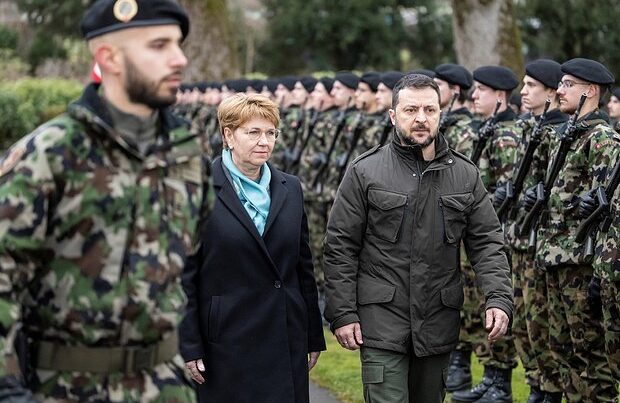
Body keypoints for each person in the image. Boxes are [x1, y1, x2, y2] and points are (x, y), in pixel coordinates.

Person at [0, 0, 209, 401]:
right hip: (69, 387)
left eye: (178, 45)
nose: (179, 59)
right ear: (108, 58)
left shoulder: (187, 153)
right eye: (159, 45)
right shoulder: (52, 152)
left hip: (164, 387)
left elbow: (187, 260)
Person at [323, 74, 513, 403]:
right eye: (411, 110)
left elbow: (487, 244)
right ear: (393, 115)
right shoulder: (365, 171)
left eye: (430, 109)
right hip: (381, 320)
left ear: (442, 113)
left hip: (437, 321)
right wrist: (343, 312)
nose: (421, 119)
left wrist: (498, 298)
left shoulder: (464, 174)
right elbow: (341, 246)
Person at [180, 93, 326, 403]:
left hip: (284, 333)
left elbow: (303, 267)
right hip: (225, 339)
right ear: (228, 135)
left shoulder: (291, 187)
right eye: (254, 132)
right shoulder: (197, 187)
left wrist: (313, 334)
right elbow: (184, 276)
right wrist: (188, 343)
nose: (265, 141)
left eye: (271, 132)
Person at [522, 58, 619, 402]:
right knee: (561, 348)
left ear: (590, 91)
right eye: (560, 84)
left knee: (590, 355)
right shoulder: (568, 134)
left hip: (581, 260)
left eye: (567, 85)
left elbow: (605, 208)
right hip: (554, 254)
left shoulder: (602, 139)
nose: (559, 90)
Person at [504, 59, 568, 402]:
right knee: (524, 320)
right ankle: (537, 384)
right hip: (520, 236)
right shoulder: (530, 126)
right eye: (523, 85)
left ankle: (549, 389)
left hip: (541, 243)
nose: (523, 91)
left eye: (531, 86)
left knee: (543, 323)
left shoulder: (558, 132)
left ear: (551, 93)